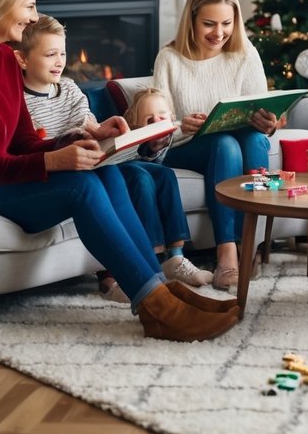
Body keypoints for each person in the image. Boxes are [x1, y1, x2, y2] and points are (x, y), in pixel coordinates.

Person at [0, 0, 238, 342]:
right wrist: (53, 161)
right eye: (28, 4)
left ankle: (160, 289)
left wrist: (80, 139)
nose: (32, 15)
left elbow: (22, 141)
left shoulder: (6, 61)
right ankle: (157, 307)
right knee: (80, 186)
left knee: (105, 170)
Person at [14, 17, 212, 302]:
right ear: (22, 59)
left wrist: (105, 131)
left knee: (163, 175)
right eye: (49, 55)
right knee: (137, 178)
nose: (59, 61)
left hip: (96, 159)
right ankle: (136, 271)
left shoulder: (69, 88)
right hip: (64, 167)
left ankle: (172, 260)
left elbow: (90, 125)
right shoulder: (19, 99)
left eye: (62, 53)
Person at [153, 0, 278, 292]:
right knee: (224, 144)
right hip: (184, 146)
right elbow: (157, 126)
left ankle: (251, 244)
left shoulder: (244, 53)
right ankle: (227, 253)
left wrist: (267, 122)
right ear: (191, 20)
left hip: (236, 141)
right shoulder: (169, 58)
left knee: (251, 140)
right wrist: (182, 125)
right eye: (209, 23)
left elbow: (261, 106)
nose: (219, 33)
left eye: (226, 23)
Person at [122, 86, 213, 288]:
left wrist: (186, 125)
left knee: (166, 175)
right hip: (128, 168)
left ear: (171, 119)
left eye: (161, 119)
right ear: (136, 125)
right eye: (149, 121)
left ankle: (176, 257)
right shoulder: (134, 138)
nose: (156, 125)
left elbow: (182, 129)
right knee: (143, 180)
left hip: (155, 170)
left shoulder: (172, 133)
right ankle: (154, 262)